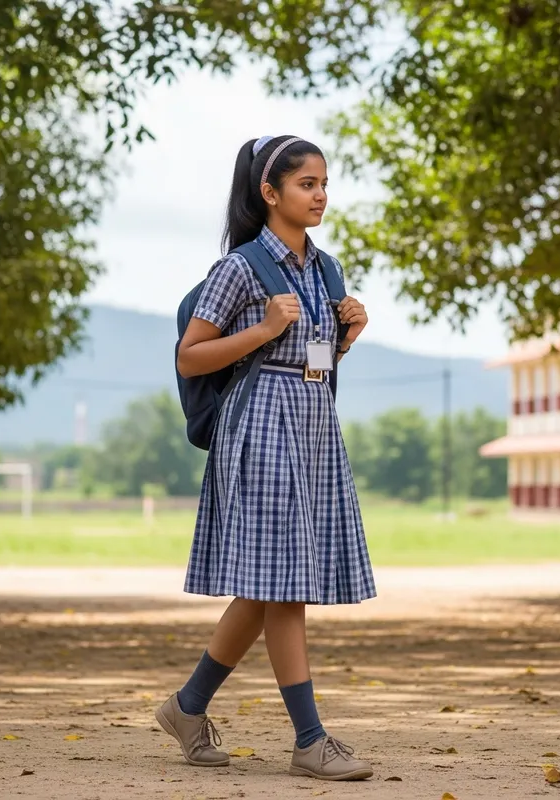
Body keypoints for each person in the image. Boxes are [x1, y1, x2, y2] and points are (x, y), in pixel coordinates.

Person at [155, 135, 377, 781]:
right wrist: (262, 328)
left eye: (324, 183)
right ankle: (310, 740)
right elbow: (190, 357)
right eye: (307, 184)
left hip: (312, 428)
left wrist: (346, 338)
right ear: (270, 192)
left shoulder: (327, 270)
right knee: (286, 589)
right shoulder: (240, 269)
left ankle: (186, 708)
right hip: (259, 429)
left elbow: (314, 361)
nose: (321, 195)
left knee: (268, 586)